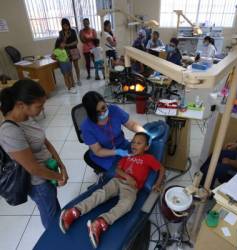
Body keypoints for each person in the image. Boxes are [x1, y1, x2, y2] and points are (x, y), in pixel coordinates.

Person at [59, 132, 165, 248]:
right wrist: (127, 177)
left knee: (127, 205)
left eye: (139, 143)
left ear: (147, 147)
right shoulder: (127, 155)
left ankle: (99, 223)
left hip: (131, 188)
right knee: (101, 194)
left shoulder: (148, 158)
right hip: (117, 181)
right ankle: (74, 212)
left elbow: (161, 169)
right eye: (133, 142)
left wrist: (157, 184)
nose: (134, 145)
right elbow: (117, 170)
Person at [0, 79, 69, 228]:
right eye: (39, 106)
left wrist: (61, 166)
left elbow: (46, 142)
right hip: (39, 183)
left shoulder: (26, 117)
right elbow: (34, 169)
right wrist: (60, 176)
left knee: (55, 210)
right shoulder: (10, 131)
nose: (42, 109)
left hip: (49, 173)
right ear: (21, 105)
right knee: (50, 217)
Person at [80, 91, 146, 172]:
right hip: (104, 155)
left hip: (123, 145)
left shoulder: (114, 110)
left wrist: (145, 133)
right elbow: (98, 151)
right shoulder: (87, 126)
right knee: (124, 173)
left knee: (141, 163)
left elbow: (132, 125)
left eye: (103, 108)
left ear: (105, 102)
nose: (103, 113)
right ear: (91, 114)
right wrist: (117, 152)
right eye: (97, 113)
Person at [59, 18, 81, 85]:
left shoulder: (73, 31)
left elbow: (76, 42)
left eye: (66, 24)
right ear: (62, 25)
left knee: (76, 66)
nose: (65, 26)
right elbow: (62, 44)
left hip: (74, 50)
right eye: (64, 25)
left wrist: (68, 45)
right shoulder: (61, 33)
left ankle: (78, 80)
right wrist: (65, 37)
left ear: (68, 24)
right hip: (66, 52)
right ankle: (72, 81)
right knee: (69, 67)